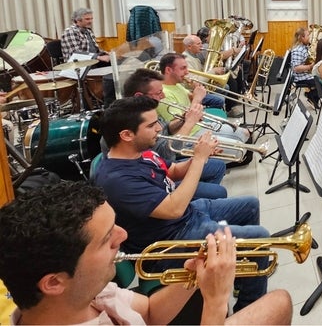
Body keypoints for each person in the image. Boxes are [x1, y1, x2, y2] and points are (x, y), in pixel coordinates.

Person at [0, 181, 292, 325]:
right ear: (53, 282)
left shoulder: (86, 293)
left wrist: (190, 276)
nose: (123, 236)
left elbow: (150, 313)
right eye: (106, 239)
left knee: (279, 301)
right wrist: (215, 303)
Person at [93, 96, 270, 312]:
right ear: (127, 135)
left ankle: (240, 279)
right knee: (259, 237)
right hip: (170, 242)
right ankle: (248, 309)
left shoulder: (141, 152)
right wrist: (198, 160)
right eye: (151, 125)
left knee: (251, 205)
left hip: (187, 217)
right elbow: (174, 208)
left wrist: (200, 157)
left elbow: (173, 171)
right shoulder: (117, 180)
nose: (159, 128)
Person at [122, 68, 228, 200]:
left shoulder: (145, 110)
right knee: (219, 192)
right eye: (159, 92)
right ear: (139, 96)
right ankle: (194, 204)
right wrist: (190, 122)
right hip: (158, 177)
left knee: (218, 166)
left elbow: (167, 129)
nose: (163, 96)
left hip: (165, 165)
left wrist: (183, 118)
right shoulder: (131, 121)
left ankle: (200, 203)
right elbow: (166, 152)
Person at [156, 53, 249, 144]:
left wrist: (196, 90)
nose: (187, 72)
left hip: (198, 126)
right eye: (182, 68)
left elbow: (196, 104)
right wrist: (197, 97)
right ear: (168, 70)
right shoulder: (163, 93)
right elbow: (174, 129)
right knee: (240, 143)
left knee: (245, 132)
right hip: (188, 136)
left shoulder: (176, 85)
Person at [183, 34, 226, 110]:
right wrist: (213, 71)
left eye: (201, 43)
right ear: (189, 46)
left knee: (225, 87)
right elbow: (194, 81)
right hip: (192, 91)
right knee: (219, 100)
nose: (201, 45)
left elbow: (201, 74)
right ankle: (206, 115)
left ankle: (223, 112)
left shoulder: (195, 57)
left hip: (200, 88)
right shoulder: (186, 60)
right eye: (198, 44)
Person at [290, 27, 318, 107]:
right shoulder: (298, 50)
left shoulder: (304, 47)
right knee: (321, 83)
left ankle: (312, 96)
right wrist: (310, 66)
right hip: (300, 78)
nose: (309, 37)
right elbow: (296, 68)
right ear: (302, 37)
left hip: (306, 74)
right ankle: (311, 96)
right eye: (308, 35)